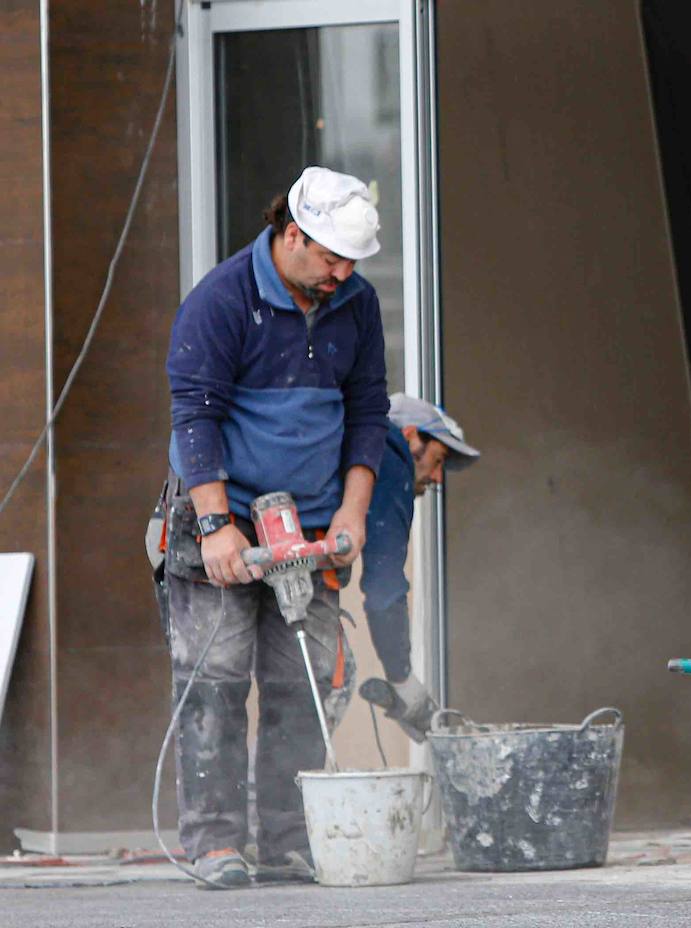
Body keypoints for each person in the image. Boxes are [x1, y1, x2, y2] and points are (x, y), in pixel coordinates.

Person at [161, 166, 389, 889]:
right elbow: (194, 414)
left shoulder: (356, 302)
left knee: (301, 685)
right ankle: (214, 842)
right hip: (221, 515)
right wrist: (217, 524)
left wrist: (353, 510)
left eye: (352, 260)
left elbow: (369, 411)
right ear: (292, 233)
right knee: (216, 681)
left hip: (313, 521)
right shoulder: (223, 300)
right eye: (329, 257)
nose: (341, 272)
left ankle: (289, 838)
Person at [357, 394, 479, 741]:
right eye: (437, 459)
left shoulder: (361, 448)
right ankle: (288, 794)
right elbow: (384, 585)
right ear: (410, 435)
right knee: (322, 680)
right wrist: (402, 679)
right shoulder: (391, 456)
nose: (438, 478)